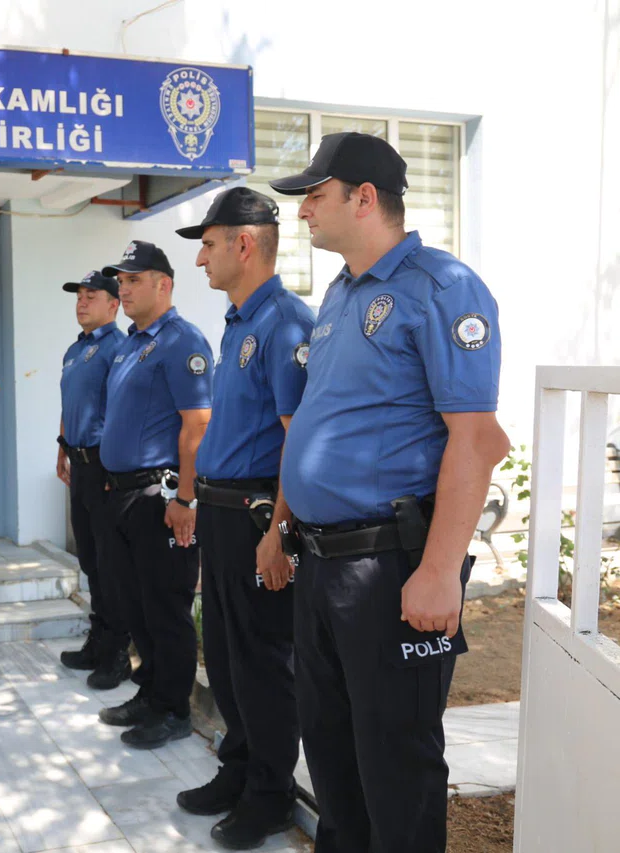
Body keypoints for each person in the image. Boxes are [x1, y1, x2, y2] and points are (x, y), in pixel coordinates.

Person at [268, 132, 509, 853]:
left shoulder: (443, 288)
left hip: (389, 566)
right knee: (335, 760)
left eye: (315, 193)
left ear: (363, 197)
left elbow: (476, 439)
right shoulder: (341, 292)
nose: (303, 209)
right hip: (322, 566)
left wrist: (439, 570)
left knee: (395, 765)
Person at [173, 187, 314, 849]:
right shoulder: (238, 323)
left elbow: (297, 440)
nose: (200, 258)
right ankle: (238, 769)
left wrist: (280, 533)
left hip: (261, 517)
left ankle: (270, 793)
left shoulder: (284, 323)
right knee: (227, 659)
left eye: (207, 243)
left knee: (262, 663)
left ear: (245, 243)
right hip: (224, 516)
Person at [96, 241, 214, 749]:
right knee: (135, 604)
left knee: (166, 607)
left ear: (163, 284)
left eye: (133, 280)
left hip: (159, 497)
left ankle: (173, 708)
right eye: (120, 281)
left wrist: (185, 500)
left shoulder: (181, 341)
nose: (122, 289)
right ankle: (149, 692)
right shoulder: (128, 343)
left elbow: (198, 425)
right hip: (121, 495)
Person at [56, 270, 131, 689]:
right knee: (89, 559)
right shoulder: (74, 350)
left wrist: (112, 468)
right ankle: (98, 640)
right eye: (79, 296)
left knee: (110, 563)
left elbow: (122, 412)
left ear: (113, 305)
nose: (82, 302)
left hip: (105, 465)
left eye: (91, 296)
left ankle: (117, 651)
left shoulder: (117, 348)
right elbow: (71, 401)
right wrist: (62, 448)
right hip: (80, 463)